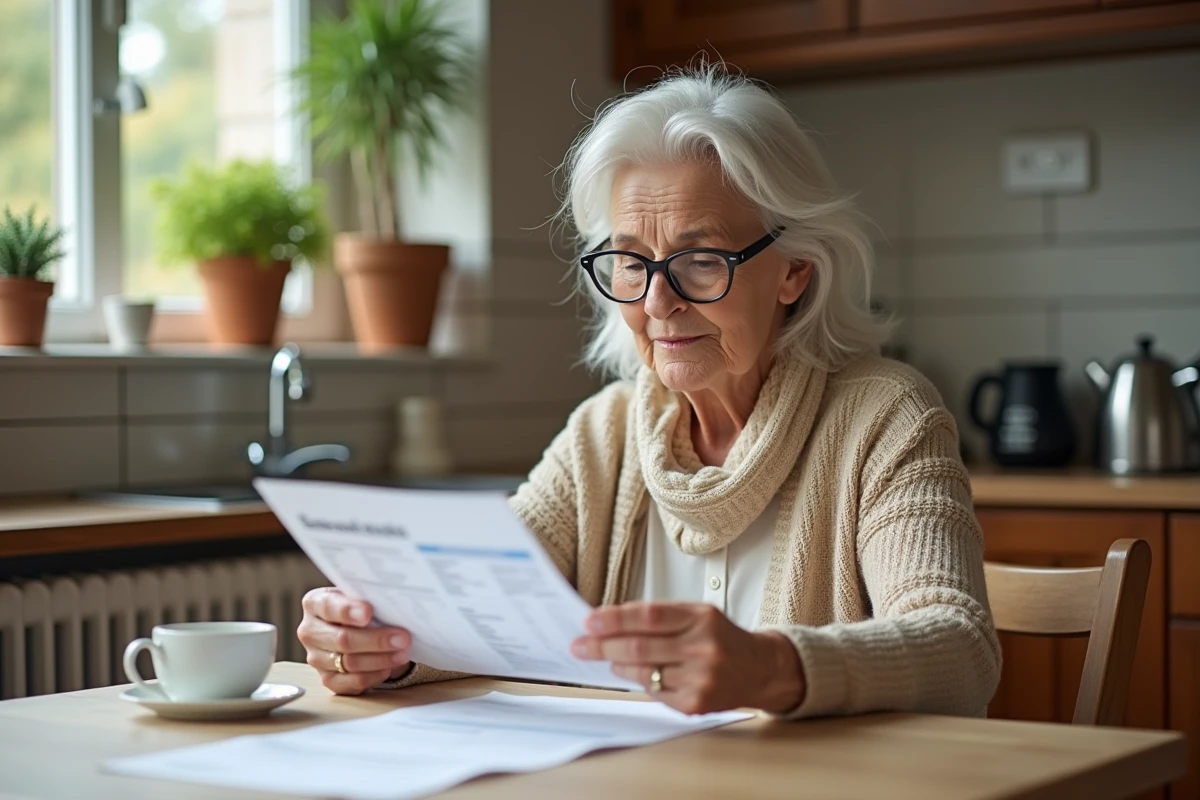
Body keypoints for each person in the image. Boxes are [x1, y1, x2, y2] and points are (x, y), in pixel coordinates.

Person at [298, 67, 1001, 719]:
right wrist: (381, 644)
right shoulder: (602, 434)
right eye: (631, 262)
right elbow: (475, 607)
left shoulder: (885, 417)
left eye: (700, 261)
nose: (658, 302)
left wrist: (770, 666)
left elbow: (960, 647)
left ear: (796, 271)